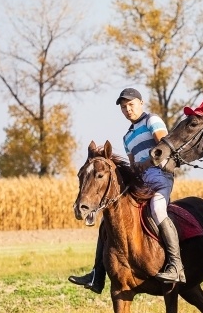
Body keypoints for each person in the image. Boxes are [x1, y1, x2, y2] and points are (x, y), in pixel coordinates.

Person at [69, 87, 185, 292]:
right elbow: (133, 165)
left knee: (158, 211)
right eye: (124, 107)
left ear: (141, 103)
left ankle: (176, 266)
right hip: (140, 184)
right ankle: (97, 274)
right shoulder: (127, 137)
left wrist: (147, 163)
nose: (128, 110)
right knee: (107, 220)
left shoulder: (153, 120)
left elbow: (165, 148)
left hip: (160, 179)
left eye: (131, 105)